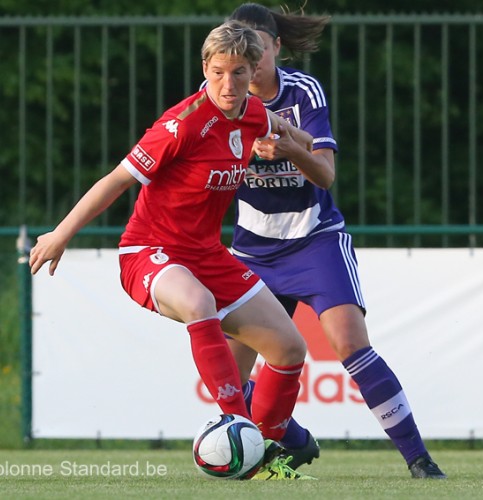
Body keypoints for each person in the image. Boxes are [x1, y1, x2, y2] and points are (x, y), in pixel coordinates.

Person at [29, 20, 317, 481]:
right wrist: (61, 233)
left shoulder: (253, 115)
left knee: (289, 348)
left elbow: (280, 126)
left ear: (254, 71)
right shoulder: (182, 124)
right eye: (219, 71)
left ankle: (259, 455)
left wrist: (301, 143)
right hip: (150, 250)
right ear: (205, 67)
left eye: (240, 72)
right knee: (198, 302)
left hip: (207, 254)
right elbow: (117, 180)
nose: (228, 83)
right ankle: (234, 419)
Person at [225, 3, 447, 479]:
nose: (250, 64)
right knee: (227, 374)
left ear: (276, 47)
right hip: (252, 250)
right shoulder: (220, 98)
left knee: (351, 344)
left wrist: (287, 147)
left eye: (258, 50)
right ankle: (292, 443)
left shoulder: (302, 91)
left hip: (314, 240)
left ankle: (419, 460)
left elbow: (325, 175)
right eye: (240, 54)